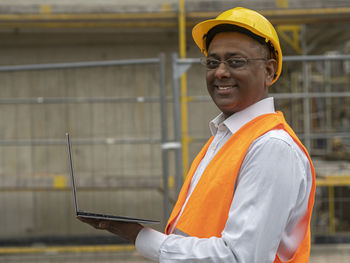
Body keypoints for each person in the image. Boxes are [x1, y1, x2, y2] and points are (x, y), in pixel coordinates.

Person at [79, 7, 316, 263]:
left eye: (236, 61)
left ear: (269, 72)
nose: (221, 72)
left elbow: (240, 257)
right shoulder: (226, 138)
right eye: (213, 62)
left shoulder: (271, 147)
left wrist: (140, 237)